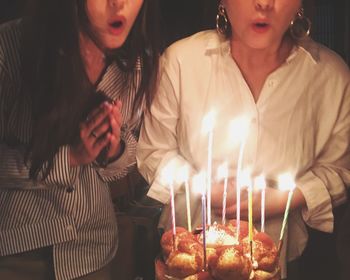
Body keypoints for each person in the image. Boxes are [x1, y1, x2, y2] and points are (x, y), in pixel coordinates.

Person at [136, 0, 350, 279]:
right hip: (186, 262)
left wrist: (284, 199)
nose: (263, 3)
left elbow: (340, 170)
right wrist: (202, 187)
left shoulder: (331, 77)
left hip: (281, 261)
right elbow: (153, 152)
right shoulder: (180, 62)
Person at [0, 0, 160, 279]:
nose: (118, 4)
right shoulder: (14, 48)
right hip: (19, 247)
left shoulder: (135, 63)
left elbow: (124, 159)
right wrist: (70, 158)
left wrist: (113, 150)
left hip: (92, 249)